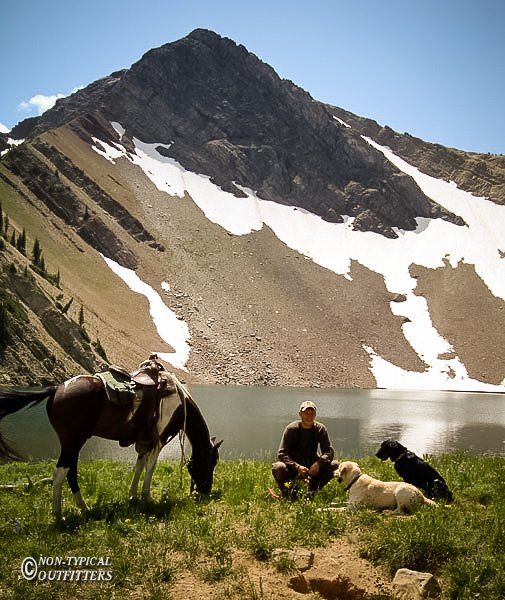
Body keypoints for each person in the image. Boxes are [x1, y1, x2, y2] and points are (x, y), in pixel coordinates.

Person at [272, 401, 339, 497]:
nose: (309, 416)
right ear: (300, 414)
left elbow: (329, 451)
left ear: (315, 414)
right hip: (294, 467)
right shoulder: (291, 429)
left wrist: (318, 463)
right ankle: (287, 492)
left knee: (336, 465)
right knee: (278, 467)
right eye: (306, 413)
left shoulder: (320, 429)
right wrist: (297, 467)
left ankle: (314, 488)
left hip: (312, 466)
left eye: (312, 413)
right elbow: (282, 453)